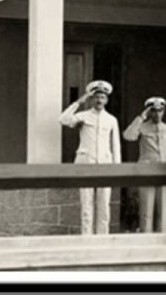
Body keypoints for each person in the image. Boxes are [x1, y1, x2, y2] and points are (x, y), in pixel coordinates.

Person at [58, 80, 121, 235]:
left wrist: (117, 168)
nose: (99, 100)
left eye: (102, 97)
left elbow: (115, 145)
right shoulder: (83, 116)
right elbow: (63, 119)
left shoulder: (111, 120)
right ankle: (86, 239)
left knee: (104, 206)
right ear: (91, 99)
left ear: (106, 100)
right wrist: (79, 101)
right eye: (96, 97)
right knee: (86, 206)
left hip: (105, 165)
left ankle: (102, 240)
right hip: (85, 163)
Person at [122, 96, 166, 233]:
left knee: (163, 209)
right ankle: (146, 239)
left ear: (164, 111)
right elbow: (128, 136)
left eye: (160, 111)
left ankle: (162, 240)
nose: (157, 114)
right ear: (149, 112)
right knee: (146, 209)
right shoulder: (142, 127)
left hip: (164, 170)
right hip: (148, 171)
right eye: (154, 111)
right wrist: (140, 118)